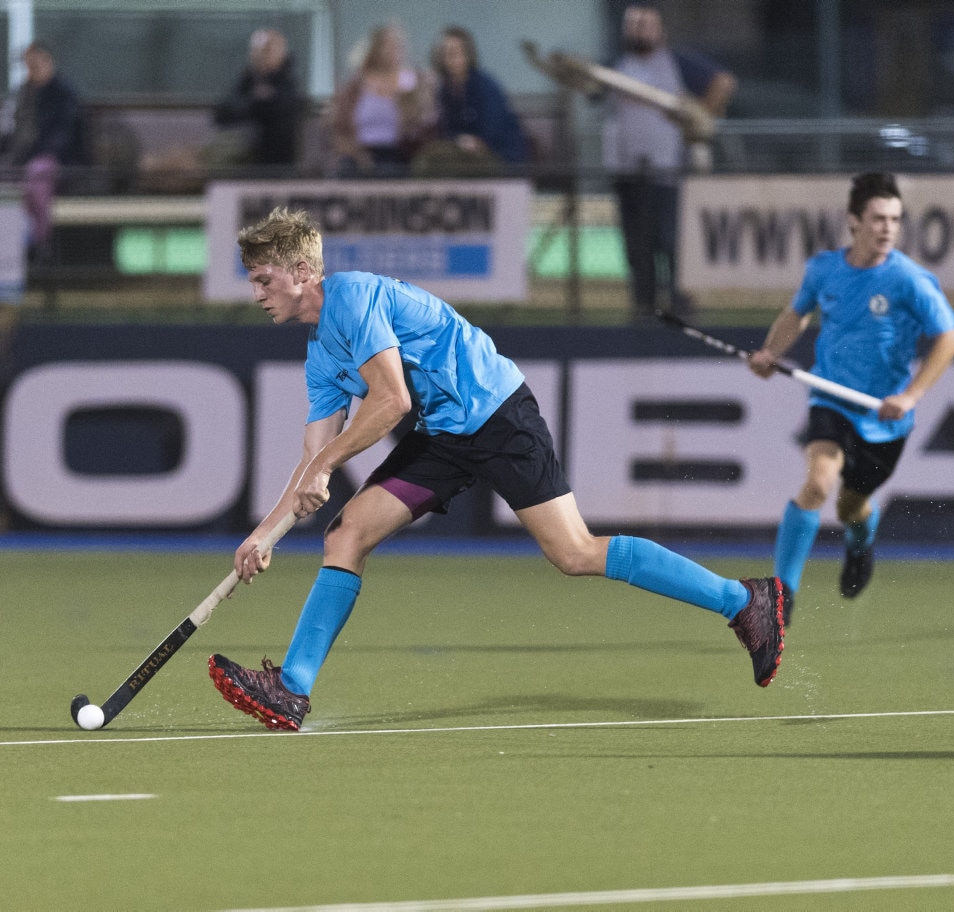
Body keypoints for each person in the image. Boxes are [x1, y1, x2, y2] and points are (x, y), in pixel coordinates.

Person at [207, 207, 788, 732]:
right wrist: (264, 534)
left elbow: (390, 403)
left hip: (496, 411)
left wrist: (328, 465)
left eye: (264, 278)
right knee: (347, 533)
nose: (256, 292)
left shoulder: (353, 298)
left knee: (573, 553)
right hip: (444, 435)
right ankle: (292, 690)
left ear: (304, 271)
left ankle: (744, 601)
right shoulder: (319, 354)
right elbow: (314, 458)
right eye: (252, 280)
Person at [748, 172, 954, 617]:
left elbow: (948, 339)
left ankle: (861, 539)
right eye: (878, 218)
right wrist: (770, 353)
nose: (887, 228)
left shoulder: (910, 280)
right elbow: (796, 315)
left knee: (850, 507)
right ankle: (781, 595)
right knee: (817, 482)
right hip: (831, 399)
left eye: (895, 220)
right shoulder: (824, 269)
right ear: (853, 221)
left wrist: (912, 396)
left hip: (885, 418)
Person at [603, 4, 735, 321]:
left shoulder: (676, 63)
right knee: (638, 246)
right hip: (627, 172)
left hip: (669, 172)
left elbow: (723, 81)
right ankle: (643, 307)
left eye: (646, 24)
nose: (639, 30)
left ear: (659, 30)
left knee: (671, 242)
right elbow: (590, 88)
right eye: (634, 24)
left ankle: (680, 306)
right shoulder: (616, 65)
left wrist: (700, 116)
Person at [0, 41, 86, 252]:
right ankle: (4, 245)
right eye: (29, 66)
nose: (31, 71)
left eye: (36, 65)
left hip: (57, 160)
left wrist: (31, 155)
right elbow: (7, 132)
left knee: (37, 175)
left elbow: (63, 138)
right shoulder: (22, 94)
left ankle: (41, 244)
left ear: (49, 62)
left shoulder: (63, 94)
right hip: (23, 159)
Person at [412, 25, 527, 177]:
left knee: (440, 163)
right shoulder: (444, 90)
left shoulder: (485, 85)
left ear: (467, 54)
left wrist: (474, 142)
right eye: (445, 53)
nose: (449, 59)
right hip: (463, 152)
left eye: (454, 53)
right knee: (429, 157)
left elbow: (494, 130)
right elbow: (446, 130)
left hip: (499, 156)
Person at [327, 23, 436, 177]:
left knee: (392, 171)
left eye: (397, 45)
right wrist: (357, 153)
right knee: (347, 170)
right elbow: (339, 126)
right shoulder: (356, 86)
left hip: (401, 152)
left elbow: (426, 123)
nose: (393, 51)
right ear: (376, 49)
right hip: (361, 152)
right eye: (387, 45)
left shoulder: (415, 82)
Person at [210, 28, 302, 169]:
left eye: (269, 50)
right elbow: (221, 113)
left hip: (278, 161)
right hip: (244, 158)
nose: (263, 57)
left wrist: (265, 101)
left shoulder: (287, 82)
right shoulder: (249, 80)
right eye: (260, 51)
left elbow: (286, 113)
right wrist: (253, 100)